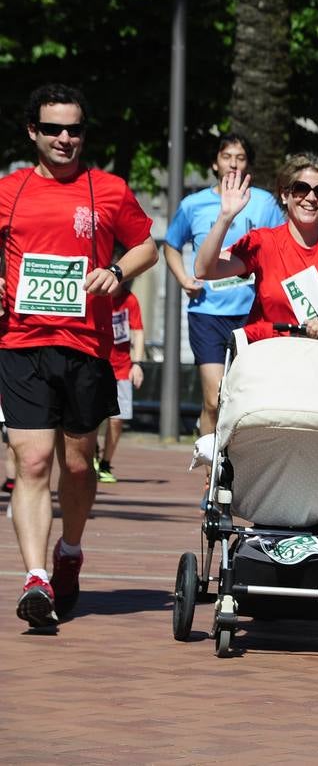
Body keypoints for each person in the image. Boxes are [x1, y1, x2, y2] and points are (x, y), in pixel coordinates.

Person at [1, 83, 158, 627]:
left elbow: (147, 246)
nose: (64, 138)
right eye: (53, 129)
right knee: (33, 461)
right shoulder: (10, 190)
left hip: (87, 348)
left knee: (75, 462)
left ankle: (69, 550)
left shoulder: (108, 189)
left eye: (74, 129)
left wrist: (117, 271)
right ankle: (36, 578)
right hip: (20, 342)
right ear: (32, 133)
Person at [164, 133, 285, 435]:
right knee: (214, 398)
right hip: (207, 312)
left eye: (240, 158)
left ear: (249, 166)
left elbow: (280, 247)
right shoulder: (194, 204)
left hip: (252, 313)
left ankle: (236, 464)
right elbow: (171, 244)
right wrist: (183, 279)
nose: (233, 164)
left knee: (246, 399)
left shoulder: (264, 203)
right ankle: (210, 470)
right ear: (215, 163)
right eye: (226, 157)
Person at [194, 152, 318, 343]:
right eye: (301, 189)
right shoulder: (263, 241)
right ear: (284, 195)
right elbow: (203, 269)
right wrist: (225, 217)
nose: (311, 197)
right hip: (266, 355)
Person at [94, 281, 145, 484]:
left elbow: (138, 331)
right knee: (91, 415)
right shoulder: (96, 297)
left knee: (117, 419)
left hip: (122, 366)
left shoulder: (129, 300)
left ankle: (106, 463)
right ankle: (91, 453)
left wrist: (138, 363)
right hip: (97, 362)